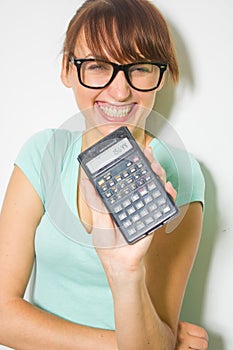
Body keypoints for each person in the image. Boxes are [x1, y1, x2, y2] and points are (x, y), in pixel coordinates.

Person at [0, 0, 208, 349]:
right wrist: (128, 344)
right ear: (67, 70)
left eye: (139, 68)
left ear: (161, 77)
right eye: (97, 66)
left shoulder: (181, 176)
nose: (119, 91)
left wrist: (125, 271)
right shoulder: (43, 153)